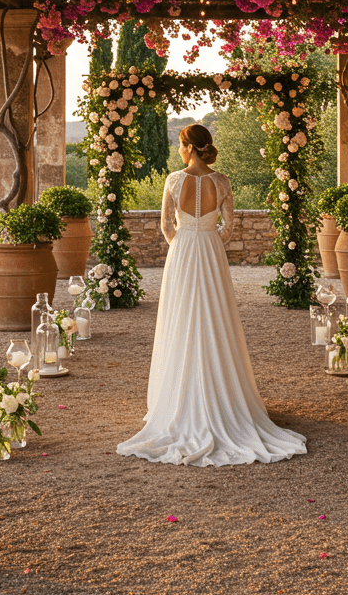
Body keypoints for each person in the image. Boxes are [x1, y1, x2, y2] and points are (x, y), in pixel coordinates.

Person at [116, 122, 307, 467]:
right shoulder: (222, 181)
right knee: (215, 317)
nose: (178, 150)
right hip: (210, 250)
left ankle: (177, 399)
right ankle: (223, 397)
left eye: (179, 145)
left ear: (189, 147)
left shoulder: (174, 180)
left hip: (183, 251)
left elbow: (165, 227)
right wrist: (208, 245)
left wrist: (185, 246)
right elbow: (229, 228)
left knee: (181, 318)